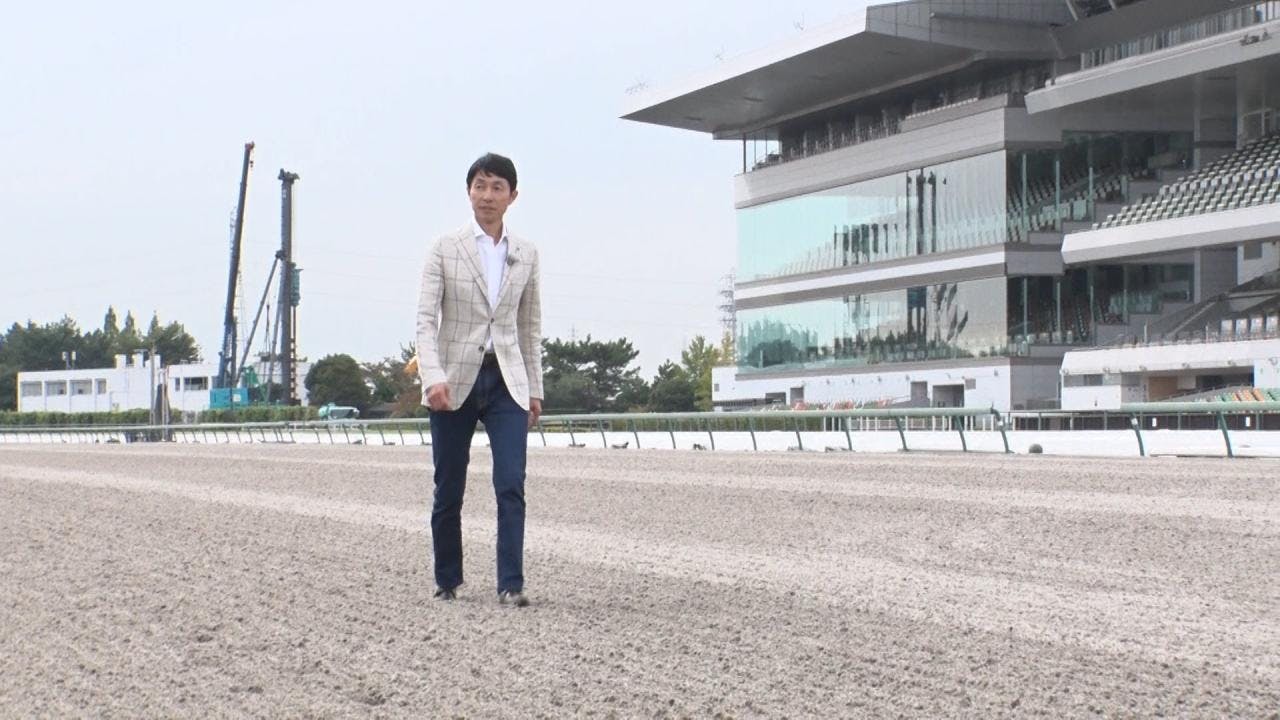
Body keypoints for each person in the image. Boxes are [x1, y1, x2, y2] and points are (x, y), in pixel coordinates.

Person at [415, 152, 543, 607]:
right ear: (469, 192)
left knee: (511, 483)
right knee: (449, 485)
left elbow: (529, 327)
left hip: (507, 379)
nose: (487, 195)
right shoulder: (444, 248)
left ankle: (511, 583)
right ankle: (447, 579)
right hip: (454, 381)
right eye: (480, 186)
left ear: (512, 196)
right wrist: (432, 377)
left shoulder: (526, 253)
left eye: (497, 187)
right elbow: (425, 321)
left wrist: (535, 390)